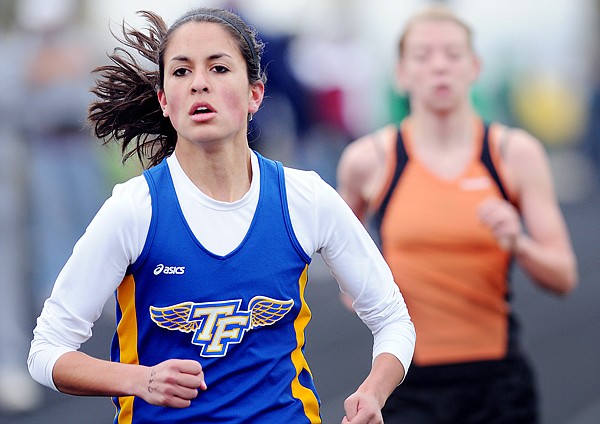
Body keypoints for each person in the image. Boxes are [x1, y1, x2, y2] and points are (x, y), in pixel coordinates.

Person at [28, 7, 415, 424]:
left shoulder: (305, 198)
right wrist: (138, 380)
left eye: (218, 68)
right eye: (180, 72)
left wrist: (374, 392)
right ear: (164, 100)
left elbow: (393, 318)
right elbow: (47, 350)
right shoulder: (135, 209)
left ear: (255, 94)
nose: (199, 84)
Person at [336, 5, 578, 424]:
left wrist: (518, 241)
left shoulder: (512, 154)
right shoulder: (368, 161)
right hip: (409, 384)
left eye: (452, 54)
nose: (439, 67)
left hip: (498, 386)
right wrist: (358, 291)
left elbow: (563, 277)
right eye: (423, 55)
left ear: (474, 67)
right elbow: (336, 258)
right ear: (401, 73)